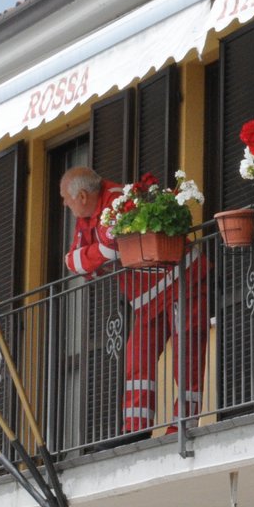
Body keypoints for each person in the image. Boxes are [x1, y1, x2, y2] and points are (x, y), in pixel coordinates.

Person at [59, 165, 209, 438]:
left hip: (182, 280)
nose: (64, 204)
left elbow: (107, 249)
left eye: (65, 198)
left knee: (185, 354)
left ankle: (183, 424)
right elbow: (73, 261)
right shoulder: (88, 217)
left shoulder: (115, 200)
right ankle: (135, 430)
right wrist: (93, 260)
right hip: (148, 296)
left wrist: (93, 259)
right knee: (136, 359)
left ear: (81, 196)